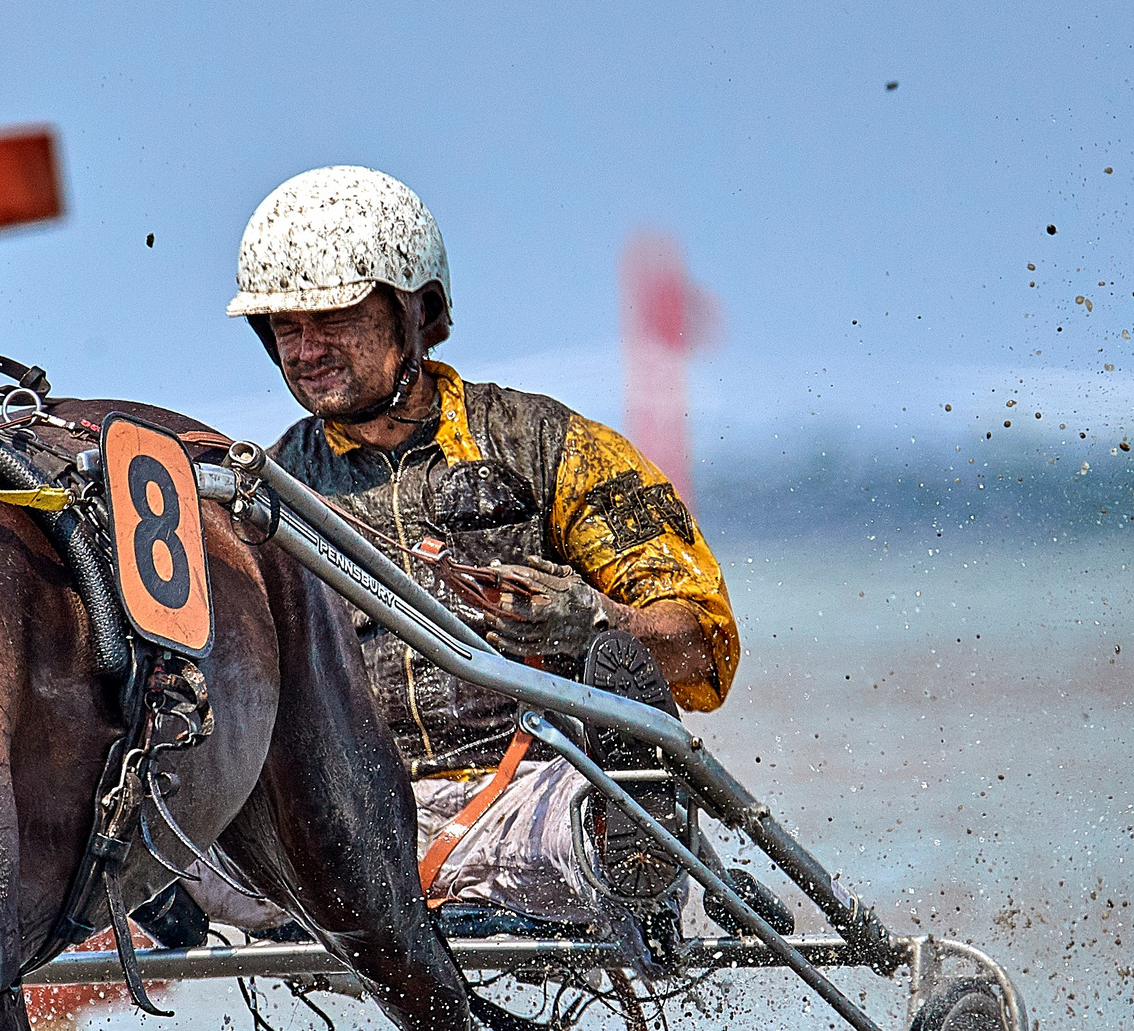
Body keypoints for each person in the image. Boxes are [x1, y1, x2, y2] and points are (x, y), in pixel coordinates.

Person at [177, 166, 742, 962]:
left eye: (332, 320)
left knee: (584, 819)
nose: (304, 351)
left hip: (530, 799)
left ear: (420, 312)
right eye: (283, 328)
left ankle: (633, 840)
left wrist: (594, 623)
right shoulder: (255, 502)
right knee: (167, 823)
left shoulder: (553, 447)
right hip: (337, 826)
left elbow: (703, 649)